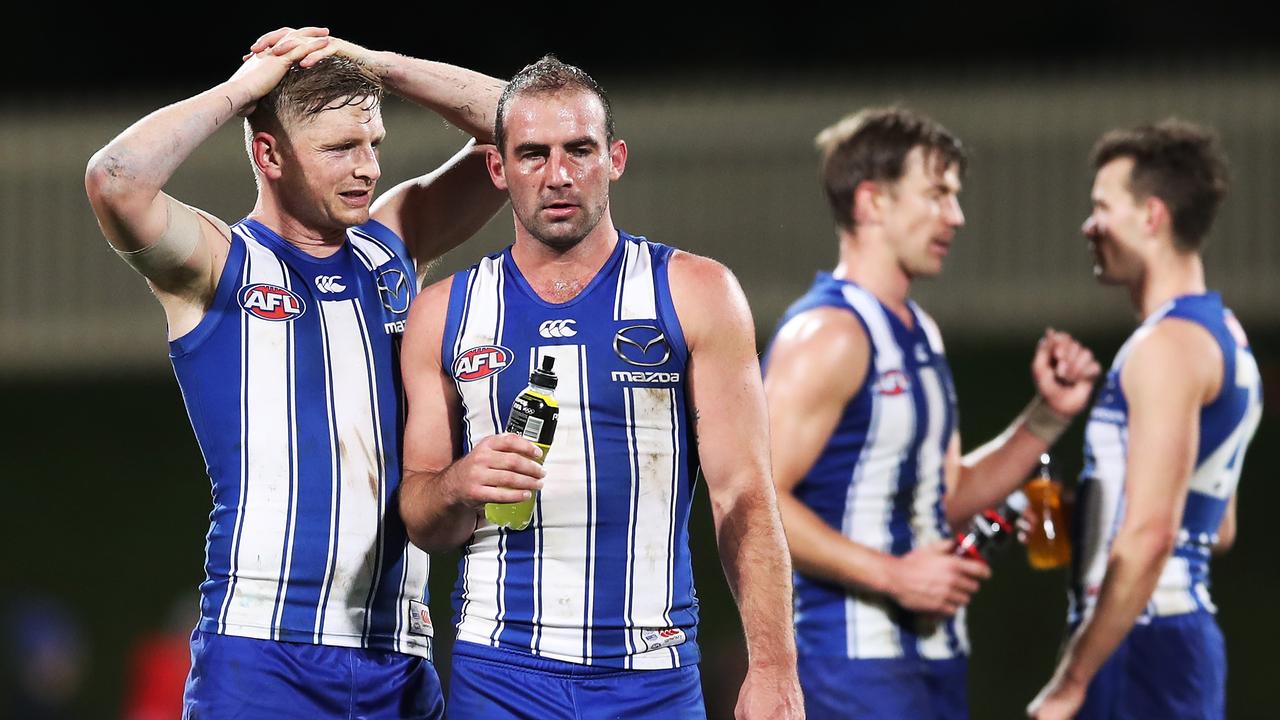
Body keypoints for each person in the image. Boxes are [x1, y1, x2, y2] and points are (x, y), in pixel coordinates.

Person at [84, 26, 507, 719]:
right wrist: (244, 89)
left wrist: (380, 66)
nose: (366, 168)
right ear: (269, 153)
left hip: (398, 653)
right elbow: (116, 179)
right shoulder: (221, 264)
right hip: (261, 654)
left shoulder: (392, 244)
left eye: (373, 145)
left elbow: (518, 128)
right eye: (340, 149)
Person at [397, 56, 803, 720]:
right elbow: (420, 516)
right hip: (500, 674)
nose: (558, 176)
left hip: (651, 673)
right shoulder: (444, 312)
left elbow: (744, 496)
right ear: (497, 170)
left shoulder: (695, 293)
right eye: (532, 154)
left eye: (577, 150)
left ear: (614, 159)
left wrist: (774, 668)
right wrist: (458, 484)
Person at [762, 107, 1100, 720]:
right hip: (847, 666)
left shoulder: (921, 332)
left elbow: (947, 494)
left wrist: (1047, 416)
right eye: (938, 194)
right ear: (872, 202)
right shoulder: (828, 335)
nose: (956, 216)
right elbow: (755, 504)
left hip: (936, 659)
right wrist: (892, 576)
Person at [1027, 120, 1263, 720]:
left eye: (1102, 207)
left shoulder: (1167, 347)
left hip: (1142, 641)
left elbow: (1153, 534)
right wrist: (1085, 516)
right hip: (1171, 638)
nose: (1089, 225)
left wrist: (1071, 680)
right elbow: (1216, 525)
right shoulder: (1224, 336)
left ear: (1152, 216)